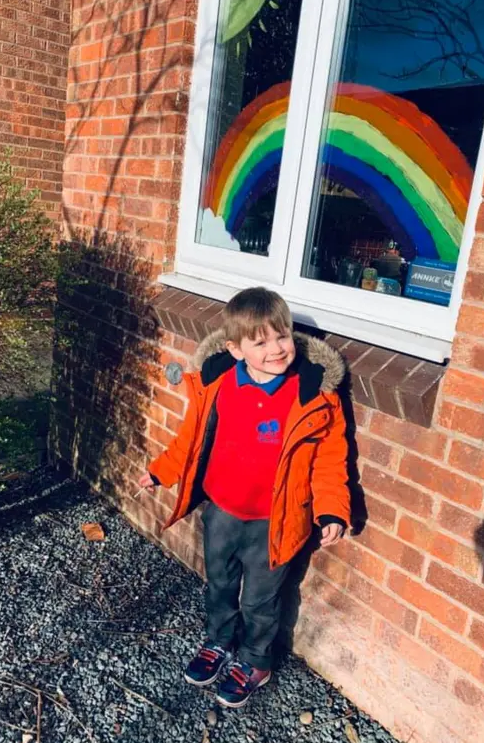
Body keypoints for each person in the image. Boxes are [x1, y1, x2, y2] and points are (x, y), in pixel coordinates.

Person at [137, 287, 350, 708]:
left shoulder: (313, 396)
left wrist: (332, 509)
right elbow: (190, 441)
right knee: (219, 584)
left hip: (276, 521)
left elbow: (330, 460)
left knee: (261, 599)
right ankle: (218, 641)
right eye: (261, 342)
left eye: (282, 336)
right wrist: (161, 471)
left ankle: (255, 660)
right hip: (222, 513)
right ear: (235, 349)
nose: (276, 349)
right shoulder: (217, 384)